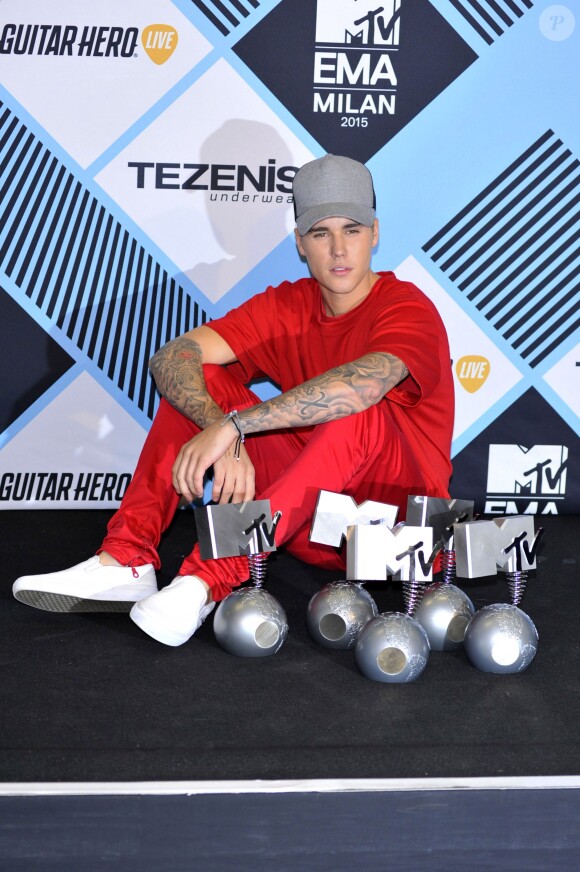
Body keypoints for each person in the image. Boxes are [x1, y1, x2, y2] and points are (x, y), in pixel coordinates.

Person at [13, 154, 454, 646]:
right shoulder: (288, 305)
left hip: (397, 534)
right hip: (307, 526)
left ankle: (204, 580)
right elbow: (172, 356)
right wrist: (219, 423)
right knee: (200, 379)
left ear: (375, 233)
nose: (337, 249)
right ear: (300, 244)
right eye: (320, 233)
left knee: (358, 415)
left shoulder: (408, 307)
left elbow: (362, 388)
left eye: (351, 230)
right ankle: (127, 559)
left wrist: (235, 427)